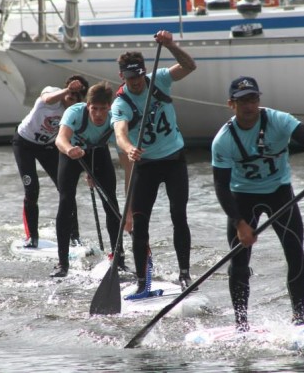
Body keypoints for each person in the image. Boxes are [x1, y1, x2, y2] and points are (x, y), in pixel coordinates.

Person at [211, 76, 304, 331]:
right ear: (231, 104)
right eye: (242, 101)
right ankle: (241, 324)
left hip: (279, 193)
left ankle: (298, 318)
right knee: (238, 263)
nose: (249, 106)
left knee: (295, 252)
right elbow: (221, 187)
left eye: (253, 99)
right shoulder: (223, 140)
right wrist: (239, 223)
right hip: (241, 197)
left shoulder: (278, 120)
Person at [111, 30, 197, 296]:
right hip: (145, 165)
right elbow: (120, 133)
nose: (135, 82)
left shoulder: (159, 79)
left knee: (178, 216)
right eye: (129, 78)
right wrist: (129, 148)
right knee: (140, 223)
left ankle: (184, 273)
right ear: (122, 76)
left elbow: (189, 66)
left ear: (144, 71)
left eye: (138, 76)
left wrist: (170, 45)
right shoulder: (121, 101)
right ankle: (141, 280)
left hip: (174, 160)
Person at [52, 82, 130, 277]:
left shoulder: (115, 119)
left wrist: (132, 194)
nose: (98, 114)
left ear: (109, 107)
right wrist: (70, 149)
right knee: (66, 201)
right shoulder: (74, 112)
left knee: (111, 203)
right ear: (87, 106)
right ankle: (62, 264)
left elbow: (126, 162)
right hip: (71, 153)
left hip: (98, 153)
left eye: (103, 109)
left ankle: (118, 260)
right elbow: (60, 139)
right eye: (94, 109)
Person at [12, 75, 89, 248]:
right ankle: (32, 237)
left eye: (75, 98)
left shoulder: (75, 113)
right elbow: (46, 97)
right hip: (24, 143)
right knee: (32, 190)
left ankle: (74, 237)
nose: (70, 101)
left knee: (66, 190)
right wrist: (68, 90)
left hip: (48, 147)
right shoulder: (52, 95)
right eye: (69, 96)